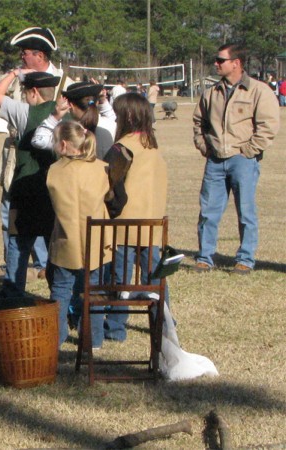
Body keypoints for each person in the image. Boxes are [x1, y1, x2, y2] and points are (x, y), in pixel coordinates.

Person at [0, 27, 67, 280]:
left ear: (40, 55)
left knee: (50, 219)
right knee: (10, 215)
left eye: (26, 53)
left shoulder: (63, 81)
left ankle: (45, 265)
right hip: (17, 155)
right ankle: (17, 268)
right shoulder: (16, 79)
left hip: (54, 158)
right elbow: (0, 107)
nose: (22, 58)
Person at [192, 43, 280, 275]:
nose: (216, 63)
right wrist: (204, 146)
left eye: (221, 60)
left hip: (243, 160)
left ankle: (245, 259)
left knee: (246, 212)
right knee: (208, 212)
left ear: (236, 63)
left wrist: (249, 151)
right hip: (215, 160)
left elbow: (268, 126)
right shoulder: (211, 93)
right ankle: (205, 257)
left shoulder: (259, 91)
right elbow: (198, 123)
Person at [0, 71, 60, 300]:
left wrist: (13, 73)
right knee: (58, 248)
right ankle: (62, 296)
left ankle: (13, 295)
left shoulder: (24, 112)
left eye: (25, 92)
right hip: (57, 191)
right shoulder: (65, 115)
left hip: (26, 190)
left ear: (33, 92)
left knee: (18, 246)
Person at [103, 92, 168, 342]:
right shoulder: (151, 145)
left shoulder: (122, 148)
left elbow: (110, 186)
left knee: (121, 281)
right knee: (155, 280)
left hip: (125, 225)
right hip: (151, 224)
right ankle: (164, 323)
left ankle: (116, 328)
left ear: (126, 117)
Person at [46, 121, 110, 346]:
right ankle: (93, 339)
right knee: (94, 290)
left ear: (63, 144)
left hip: (66, 240)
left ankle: (57, 337)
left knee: (61, 289)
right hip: (98, 241)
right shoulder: (102, 168)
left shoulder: (54, 171)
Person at [32, 81, 117, 160]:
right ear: (97, 103)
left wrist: (55, 116)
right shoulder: (112, 125)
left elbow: (38, 140)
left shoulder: (69, 131)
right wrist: (104, 102)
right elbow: (111, 116)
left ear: (70, 105)